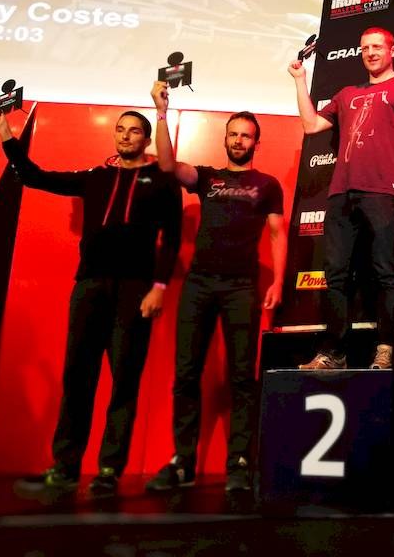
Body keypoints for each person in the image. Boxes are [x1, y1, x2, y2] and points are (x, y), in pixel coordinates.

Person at [0, 107, 181, 495]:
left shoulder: (161, 182)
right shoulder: (96, 177)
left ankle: (109, 470)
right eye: (120, 130)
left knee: (124, 380)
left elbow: (172, 237)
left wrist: (159, 286)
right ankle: (66, 466)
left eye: (134, 131)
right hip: (89, 286)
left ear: (146, 140)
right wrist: (5, 133)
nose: (125, 136)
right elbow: (34, 176)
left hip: (134, 290)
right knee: (77, 377)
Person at [145, 87, 285, 493]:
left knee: (242, 377)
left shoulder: (268, 184)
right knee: (186, 373)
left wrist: (277, 280)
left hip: (241, 287)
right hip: (199, 284)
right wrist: (161, 111)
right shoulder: (206, 177)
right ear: (225, 138)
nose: (239, 141)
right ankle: (183, 462)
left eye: (246, 136)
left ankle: (239, 462)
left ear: (256, 142)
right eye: (234, 134)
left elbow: (277, 234)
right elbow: (168, 165)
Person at [288, 27, 394, 370]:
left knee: (384, 272)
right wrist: (300, 80)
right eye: (365, 48)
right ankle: (334, 352)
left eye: (377, 46)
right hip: (341, 194)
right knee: (336, 275)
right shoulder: (347, 94)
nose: (371, 53)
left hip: (383, 192)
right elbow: (310, 126)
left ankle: (386, 347)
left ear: (393, 51)